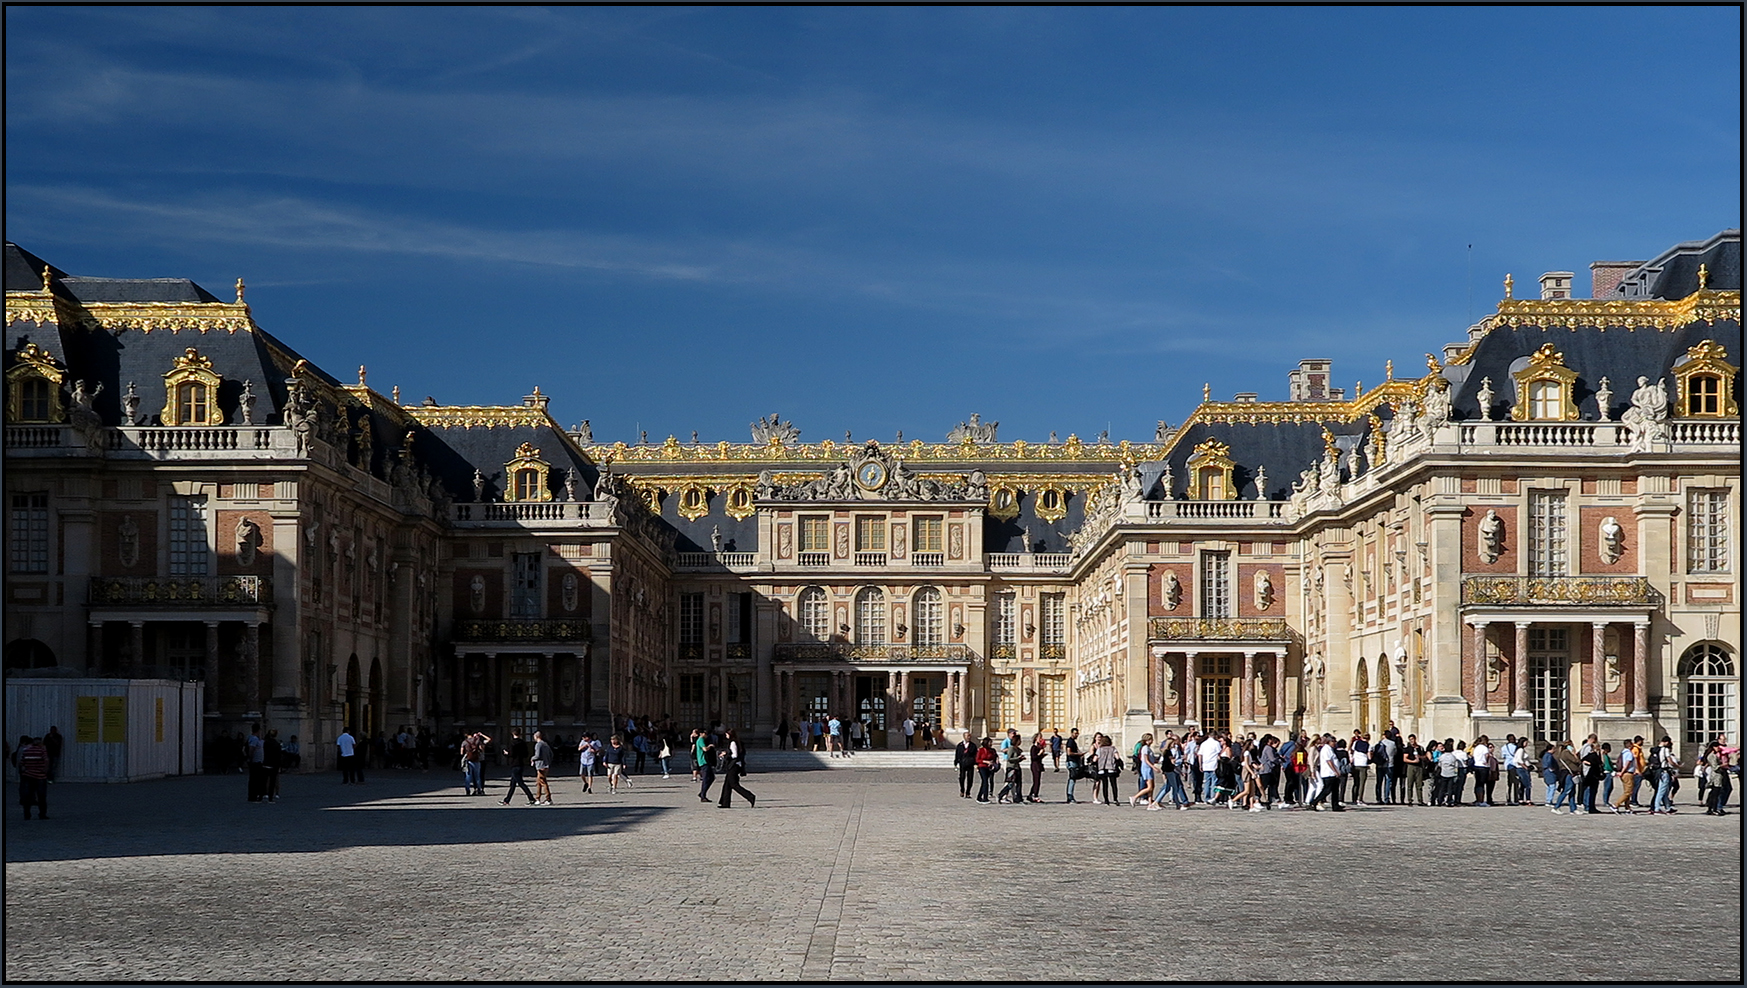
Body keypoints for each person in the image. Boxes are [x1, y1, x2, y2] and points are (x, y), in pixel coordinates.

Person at [716, 730, 756, 809]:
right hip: (734, 765)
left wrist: (726, 754)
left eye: (727, 734)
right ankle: (725, 803)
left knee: (733, 784)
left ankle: (750, 796)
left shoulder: (733, 742)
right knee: (727, 785)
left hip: (734, 766)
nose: (726, 736)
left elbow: (734, 755)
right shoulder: (735, 742)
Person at [499, 729, 536, 806]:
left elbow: (511, 754)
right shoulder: (523, 743)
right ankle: (507, 800)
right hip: (521, 763)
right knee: (513, 784)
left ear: (512, 734)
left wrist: (506, 753)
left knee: (520, 783)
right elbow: (526, 754)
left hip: (514, 764)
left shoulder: (512, 743)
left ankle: (531, 798)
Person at [1308, 735, 1345, 811]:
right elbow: (1329, 761)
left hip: (1332, 773)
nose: (1335, 743)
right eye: (1333, 741)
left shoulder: (1330, 749)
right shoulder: (1326, 749)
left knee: (1335, 790)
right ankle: (1314, 802)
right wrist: (1335, 771)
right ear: (1329, 742)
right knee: (1327, 790)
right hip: (1329, 773)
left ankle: (1335, 805)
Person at [16, 736, 49, 820]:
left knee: (28, 796)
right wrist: (45, 770)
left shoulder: (26, 750)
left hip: (28, 776)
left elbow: (22, 762)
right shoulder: (42, 750)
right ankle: (42, 814)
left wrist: (26, 770)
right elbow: (46, 760)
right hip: (40, 776)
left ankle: (27, 814)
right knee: (41, 796)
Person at [1092, 733, 1122, 806]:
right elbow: (1117, 757)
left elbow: (1095, 759)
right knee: (1113, 784)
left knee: (1105, 785)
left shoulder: (1100, 749)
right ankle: (1115, 799)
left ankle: (1106, 800)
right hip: (1111, 768)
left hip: (1102, 769)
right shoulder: (1113, 749)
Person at [1128, 733, 1157, 808]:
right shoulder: (1145, 748)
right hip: (1146, 768)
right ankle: (1135, 797)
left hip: (1149, 768)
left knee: (1152, 787)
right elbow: (1146, 760)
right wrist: (1154, 767)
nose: (1152, 741)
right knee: (1149, 787)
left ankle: (1150, 803)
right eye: (1150, 739)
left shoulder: (1148, 748)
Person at [461, 731, 490, 795]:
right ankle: (479, 789)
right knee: (477, 776)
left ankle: (468, 790)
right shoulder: (477, 741)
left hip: (468, 760)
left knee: (468, 776)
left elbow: (461, 752)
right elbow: (481, 748)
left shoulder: (465, 742)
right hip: (477, 760)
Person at [530, 731, 554, 806]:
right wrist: (548, 762)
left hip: (541, 766)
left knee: (543, 782)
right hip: (546, 765)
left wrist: (532, 758)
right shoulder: (545, 744)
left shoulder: (538, 745)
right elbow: (551, 754)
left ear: (536, 737)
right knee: (539, 783)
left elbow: (537, 755)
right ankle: (537, 798)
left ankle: (548, 799)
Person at [246, 725, 267, 802]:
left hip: (258, 762)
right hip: (255, 762)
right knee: (255, 780)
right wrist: (250, 759)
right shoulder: (254, 739)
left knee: (256, 779)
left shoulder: (255, 739)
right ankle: (253, 796)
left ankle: (256, 795)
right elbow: (251, 749)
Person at [953, 732, 977, 798]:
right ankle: (962, 790)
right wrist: (956, 762)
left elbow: (975, 755)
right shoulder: (960, 745)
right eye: (967, 736)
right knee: (962, 777)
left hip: (970, 763)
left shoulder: (973, 745)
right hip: (962, 763)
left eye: (969, 736)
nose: (968, 737)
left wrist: (975, 763)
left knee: (970, 778)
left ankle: (968, 792)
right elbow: (957, 754)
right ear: (964, 736)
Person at [974, 737, 999, 802]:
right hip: (982, 767)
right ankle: (985, 797)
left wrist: (995, 762)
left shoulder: (992, 750)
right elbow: (977, 759)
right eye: (990, 742)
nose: (991, 744)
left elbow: (995, 757)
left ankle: (979, 797)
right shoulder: (981, 750)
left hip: (989, 767)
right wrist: (985, 761)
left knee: (984, 782)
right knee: (985, 782)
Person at [1063, 728, 1084, 804]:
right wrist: (1078, 754)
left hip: (1074, 761)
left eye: (1077, 733)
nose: (1076, 735)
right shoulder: (1070, 742)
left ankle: (1070, 795)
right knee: (1072, 779)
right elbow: (1069, 753)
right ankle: (1070, 796)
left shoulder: (1073, 742)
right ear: (1071, 733)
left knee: (1072, 779)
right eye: (1075, 733)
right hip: (1071, 762)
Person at [694, 730, 716, 803]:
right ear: (701, 734)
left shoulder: (701, 740)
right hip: (703, 761)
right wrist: (710, 746)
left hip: (705, 761)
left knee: (711, 777)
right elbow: (705, 749)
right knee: (706, 779)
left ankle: (702, 793)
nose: (706, 735)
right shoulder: (701, 740)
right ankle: (703, 795)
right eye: (705, 734)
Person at [1027, 732, 1047, 803]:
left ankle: (1031, 795)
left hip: (1038, 765)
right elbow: (1034, 757)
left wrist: (1043, 755)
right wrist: (1040, 753)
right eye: (1040, 738)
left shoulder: (1039, 747)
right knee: (1036, 781)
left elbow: (1038, 757)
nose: (1041, 739)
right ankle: (1035, 795)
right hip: (1035, 766)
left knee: (1037, 781)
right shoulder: (1033, 747)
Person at [263, 730, 283, 802]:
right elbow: (279, 756)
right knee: (273, 781)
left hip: (266, 763)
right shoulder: (277, 744)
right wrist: (279, 765)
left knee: (264, 780)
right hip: (274, 764)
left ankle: (263, 794)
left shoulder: (265, 743)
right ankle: (271, 797)